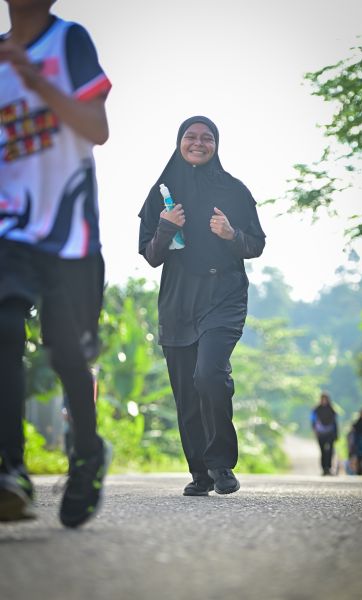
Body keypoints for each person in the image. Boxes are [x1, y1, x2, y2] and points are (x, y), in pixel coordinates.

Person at [0, 0, 112, 527]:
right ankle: (11, 469)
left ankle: (87, 451)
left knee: (67, 353)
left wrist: (37, 83)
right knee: (4, 327)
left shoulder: (69, 41)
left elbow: (97, 128)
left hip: (69, 232)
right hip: (10, 228)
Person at [138, 115, 266, 496]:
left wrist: (231, 234)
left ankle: (221, 463)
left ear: (216, 144)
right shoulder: (161, 193)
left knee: (209, 374)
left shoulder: (235, 191)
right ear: (179, 142)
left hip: (224, 294)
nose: (198, 143)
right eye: (190, 137)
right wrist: (166, 226)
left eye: (206, 137)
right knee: (186, 391)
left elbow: (256, 244)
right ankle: (200, 473)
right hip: (178, 299)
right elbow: (150, 256)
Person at [311, 392, 338, 475]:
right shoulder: (316, 410)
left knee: (330, 451)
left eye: (325, 399)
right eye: (323, 399)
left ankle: (329, 468)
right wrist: (314, 430)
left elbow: (335, 423)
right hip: (321, 433)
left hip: (330, 433)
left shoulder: (332, 410)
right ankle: (324, 469)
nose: (324, 401)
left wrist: (336, 434)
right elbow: (313, 421)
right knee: (323, 451)